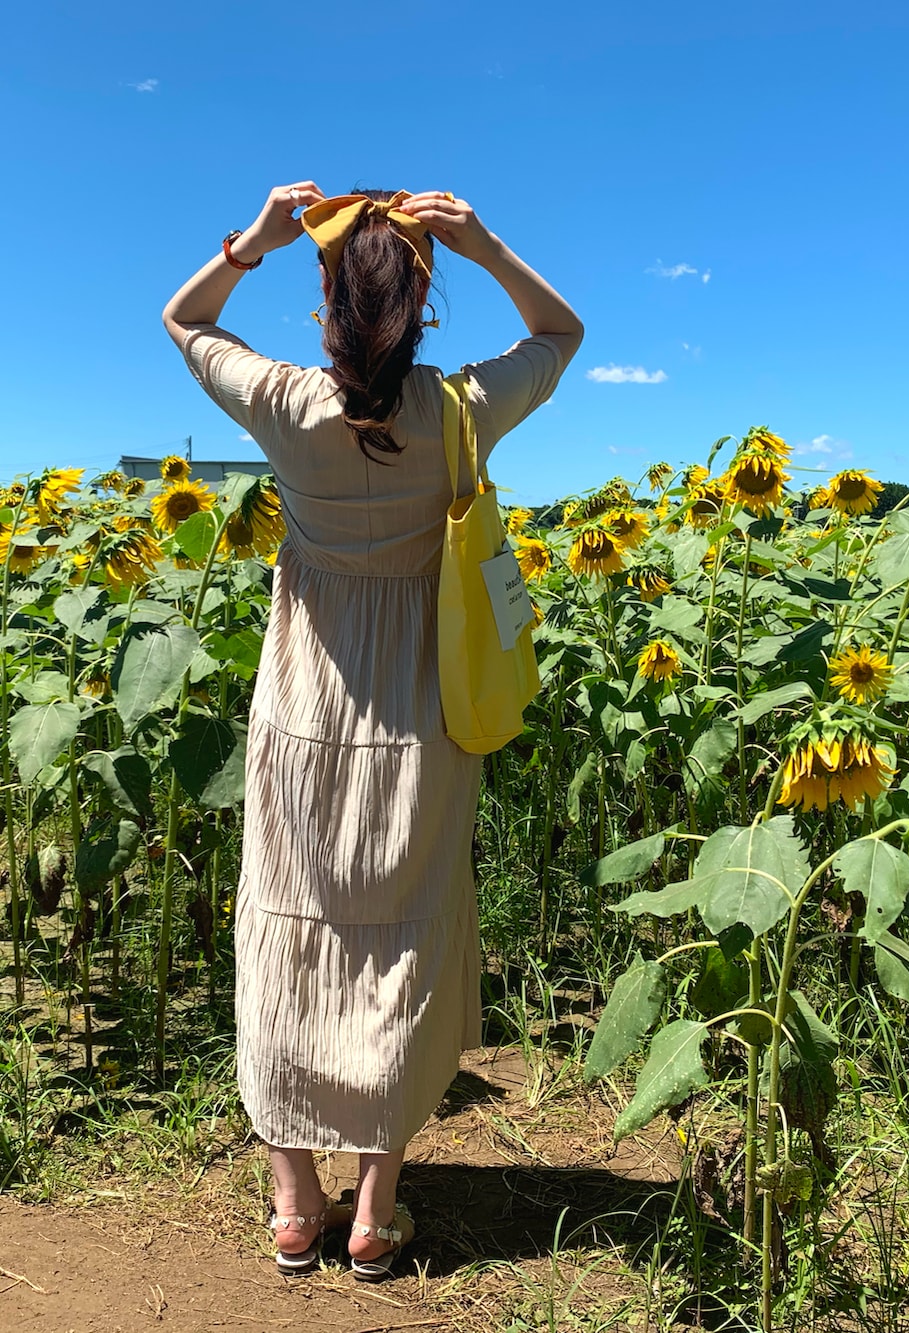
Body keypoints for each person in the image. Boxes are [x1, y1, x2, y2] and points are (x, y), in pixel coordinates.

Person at [162, 182, 583, 1279]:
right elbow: (559, 331)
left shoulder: (286, 406)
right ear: (421, 304)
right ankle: (373, 1211)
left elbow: (185, 319)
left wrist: (251, 237)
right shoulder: (454, 412)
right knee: (400, 943)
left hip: (301, 712)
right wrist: (483, 240)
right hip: (420, 719)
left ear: (326, 305)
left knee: (288, 931)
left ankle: (293, 1202)